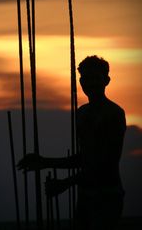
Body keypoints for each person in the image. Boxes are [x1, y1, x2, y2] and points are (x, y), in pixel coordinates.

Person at [17, 55, 126, 230]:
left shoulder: (114, 114)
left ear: (106, 80)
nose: (90, 84)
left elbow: (105, 163)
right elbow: (84, 159)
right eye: (86, 79)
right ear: (81, 82)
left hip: (107, 196)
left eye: (95, 78)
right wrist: (44, 161)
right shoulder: (82, 113)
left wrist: (65, 183)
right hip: (85, 196)